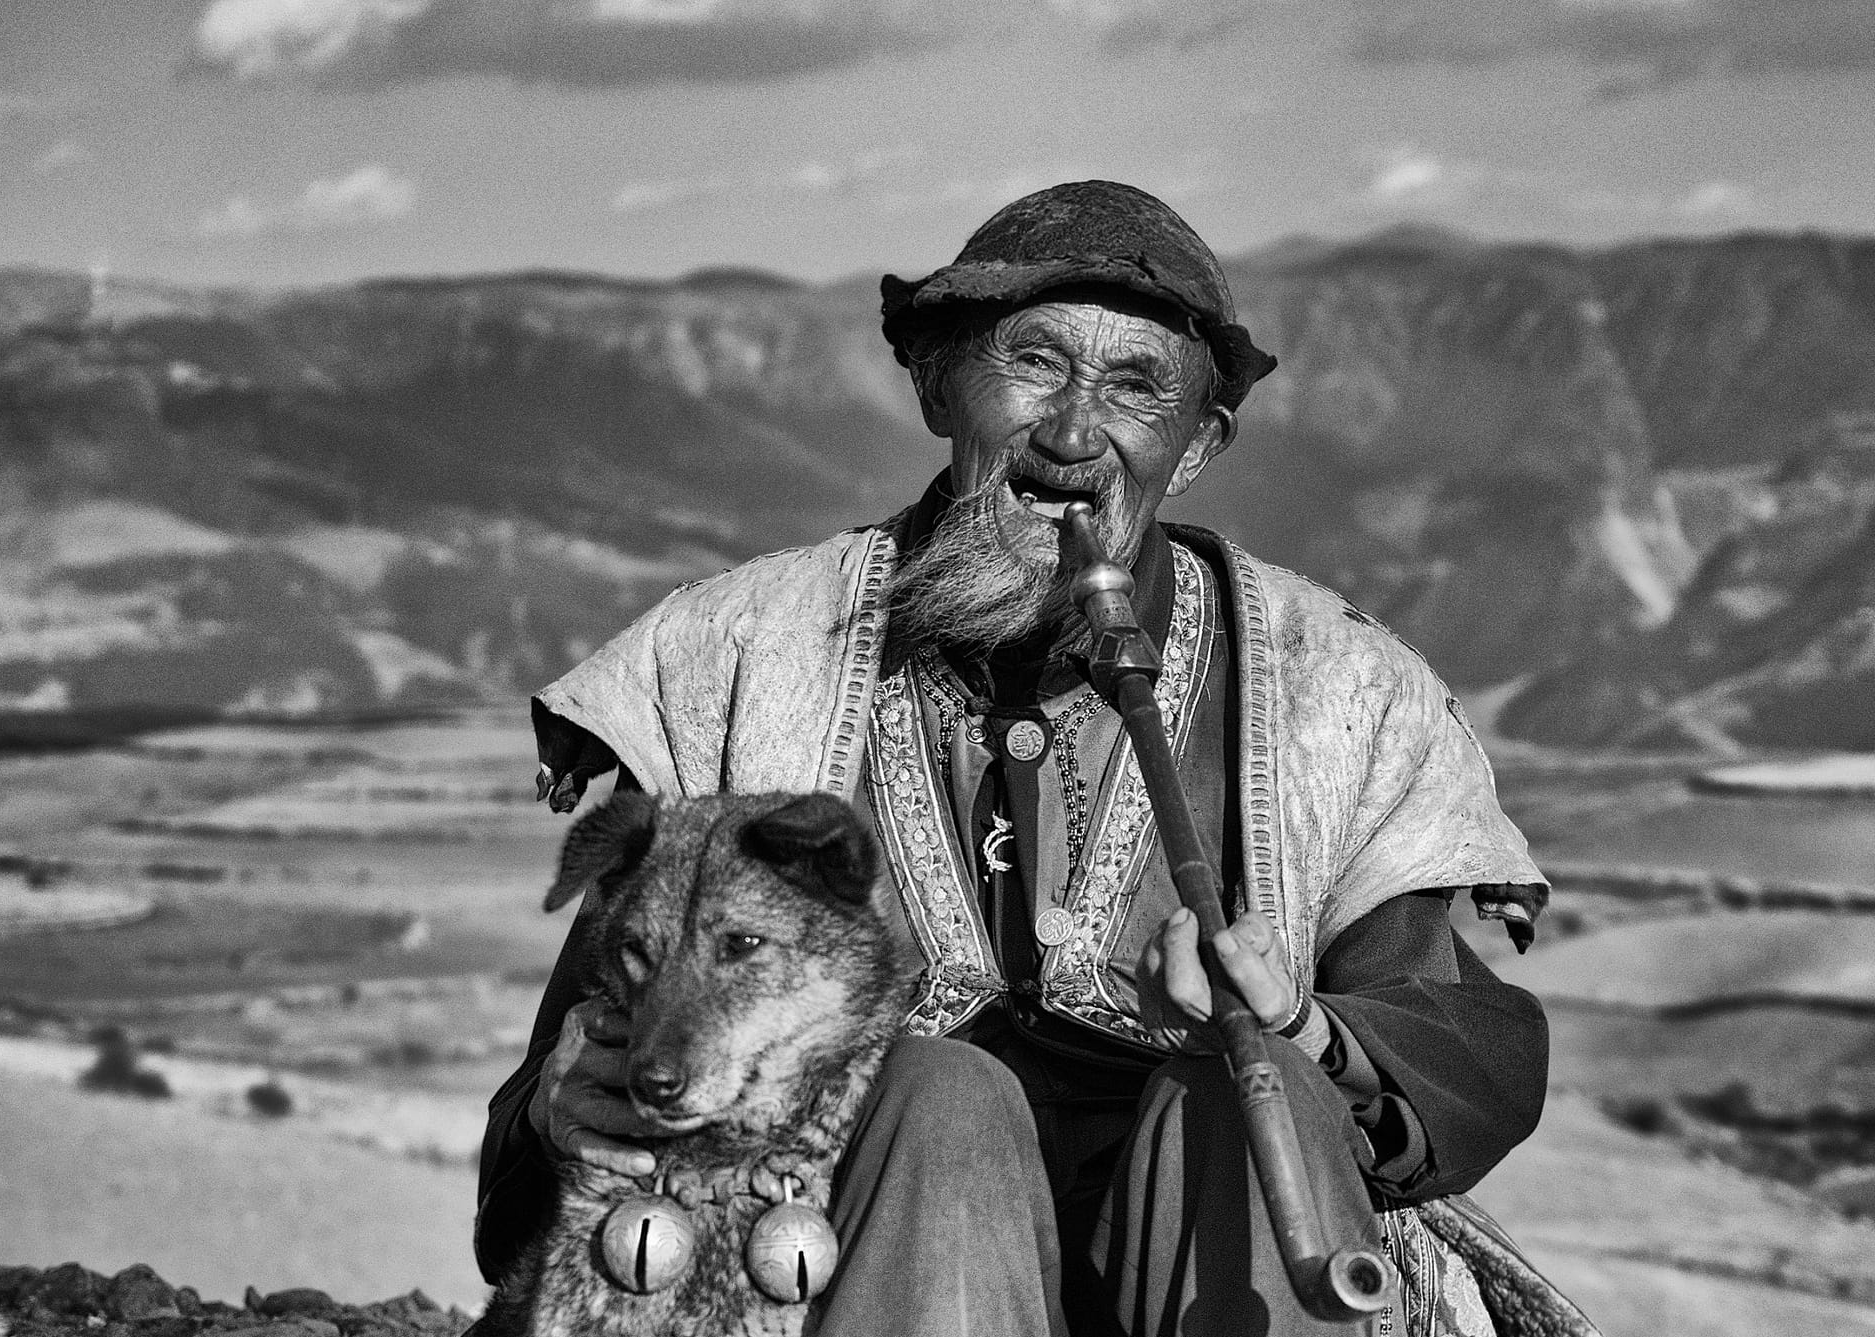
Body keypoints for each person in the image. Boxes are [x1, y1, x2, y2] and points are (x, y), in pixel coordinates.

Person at [475, 181, 1584, 1337]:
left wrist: (1294, 1027)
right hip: (813, 1265)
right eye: (1034, 363)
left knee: (1239, 1095)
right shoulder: (730, 655)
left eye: (1134, 386)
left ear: (1195, 446)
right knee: (938, 1095)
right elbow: (566, 1083)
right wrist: (572, 1106)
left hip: (1204, 1233)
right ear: (936, 386)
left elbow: (1463, 1040)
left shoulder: (1345, 687)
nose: (1068, 435)